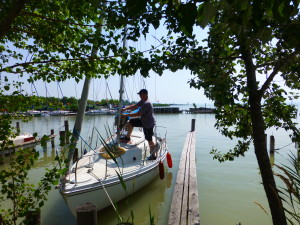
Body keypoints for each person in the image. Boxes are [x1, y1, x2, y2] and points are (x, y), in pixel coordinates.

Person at [121, 89, 156, 159]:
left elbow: (138, 113)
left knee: (149, 140)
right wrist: (125, 109)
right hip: (143, 120)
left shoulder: (146, 103)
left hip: (148, 123)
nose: (140, 96)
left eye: (141, 94)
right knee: (131, 122)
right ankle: (127, 138)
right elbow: (135, 106)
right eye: (139, 94)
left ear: (146, 94)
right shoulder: (143, 101)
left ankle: (153, 155)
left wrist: (126, 115)